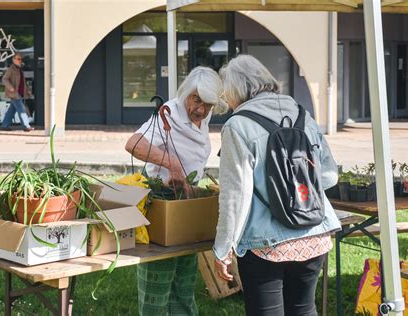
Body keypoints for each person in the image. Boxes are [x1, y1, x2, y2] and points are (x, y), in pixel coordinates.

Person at [213, 55, 341, 316]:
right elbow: (329, 175)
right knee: (304, 309)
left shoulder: (237, 126)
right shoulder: (301, 113)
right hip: (314, 232)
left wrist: (223, 250)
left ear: (236, 90)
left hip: (265, 244)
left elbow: (235, 197)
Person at [125, 66, 227, 315]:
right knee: (157, 282)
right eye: (196, 101)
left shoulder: (203, 115)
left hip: (186, 201)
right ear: (187, 93)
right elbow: (134, 144)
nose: (201, 110)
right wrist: (172, 164)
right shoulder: (169, 113)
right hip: (162, 202)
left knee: (184, 279)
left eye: (208, 106)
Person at [1, 53, 34, 132]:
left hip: (19, 93)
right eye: (18, 59)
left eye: (21, 59)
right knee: (21, 109)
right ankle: (26, 126)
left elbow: (22, 82)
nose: (20, 61)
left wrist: (27, 91)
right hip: (15, 94)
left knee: (12, 110)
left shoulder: (19, 69)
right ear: (13, 60)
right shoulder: (11, 69)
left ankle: (5, 125)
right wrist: (10, 87)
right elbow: (4, 79)